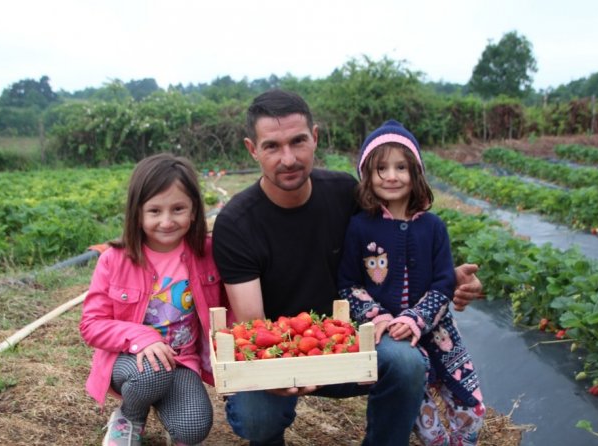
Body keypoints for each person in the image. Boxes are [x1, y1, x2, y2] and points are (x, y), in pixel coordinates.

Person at [211, 89, 484, 446]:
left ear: (315, 137)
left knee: (406, 362)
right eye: (272, 146)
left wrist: (447, 279)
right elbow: (254, 325)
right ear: (252, 149)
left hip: (352, 339)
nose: (288, 158)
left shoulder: (345, 193)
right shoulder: (237, 223)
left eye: (298, 141)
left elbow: (393, 245)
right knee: (256, 416)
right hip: (281, 349)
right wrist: (284, 370)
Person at [337, 119, 485, 445]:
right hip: (393, 337)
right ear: (367, 175)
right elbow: (349, 284)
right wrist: (379, 317)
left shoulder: (433, 227)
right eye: (381, 168)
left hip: (440, 334)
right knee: (423, 418)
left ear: (415, 172)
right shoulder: (360, 227)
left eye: (401, 167)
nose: (391, 176)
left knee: (471, 408)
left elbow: (443, 282)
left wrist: (416, 318)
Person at [79, 153, 229, 446]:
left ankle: (166, 404)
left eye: (178, 209)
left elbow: (229, 306)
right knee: (152, 373)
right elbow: (91, 325)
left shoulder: (208, 254)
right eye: (155, 211)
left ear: (194, 210)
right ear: (137, 213)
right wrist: (141, 338)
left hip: (181, 362)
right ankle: (130, 417)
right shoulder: (115, 260)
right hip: (128, 360)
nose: (167, 221)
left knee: (193, 428)